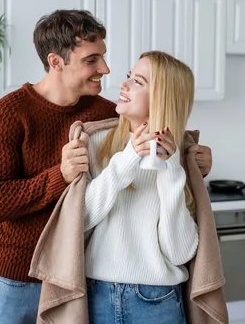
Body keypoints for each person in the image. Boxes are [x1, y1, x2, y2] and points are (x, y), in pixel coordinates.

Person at [0, 10, 213, 324]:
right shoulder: (6, 114)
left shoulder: (105, 115)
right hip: (17, 276)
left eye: (103, 57)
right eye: (92, 59)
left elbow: (157, 122)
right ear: (56, 61)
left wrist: (192, 160)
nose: (105, 69)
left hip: (78, 276)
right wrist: (59, 176)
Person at [83, 51, 197, 323]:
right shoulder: (95, 142)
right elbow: (81, 219)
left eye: (138, 81)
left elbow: (180, 252)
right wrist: (130, 157)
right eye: (128, 77)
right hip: (96, 294)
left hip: (157, 300)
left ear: (161, 97)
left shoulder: (181, 156)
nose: (123, 85)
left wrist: (171, 173)